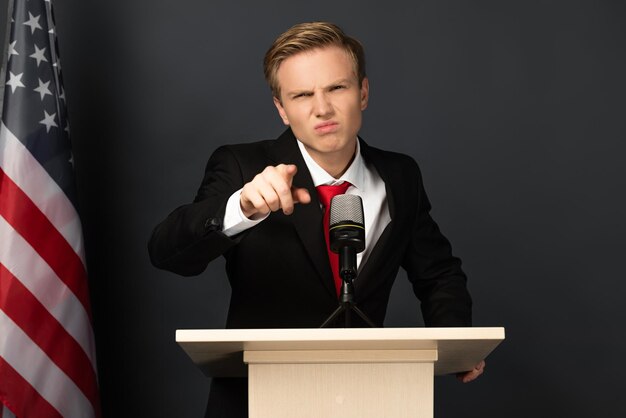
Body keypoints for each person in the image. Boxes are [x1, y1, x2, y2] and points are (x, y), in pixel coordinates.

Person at [148, 21, 484, 417]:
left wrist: (455, 343)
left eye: (336, 88)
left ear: (363, 92)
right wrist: (240, 208)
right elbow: (167, 252)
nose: (321, 108)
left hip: (371, 398)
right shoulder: (241, 166)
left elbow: (437, 272)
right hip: (260, 399)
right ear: (282, 109)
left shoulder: (400, 175)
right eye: (302, 95)